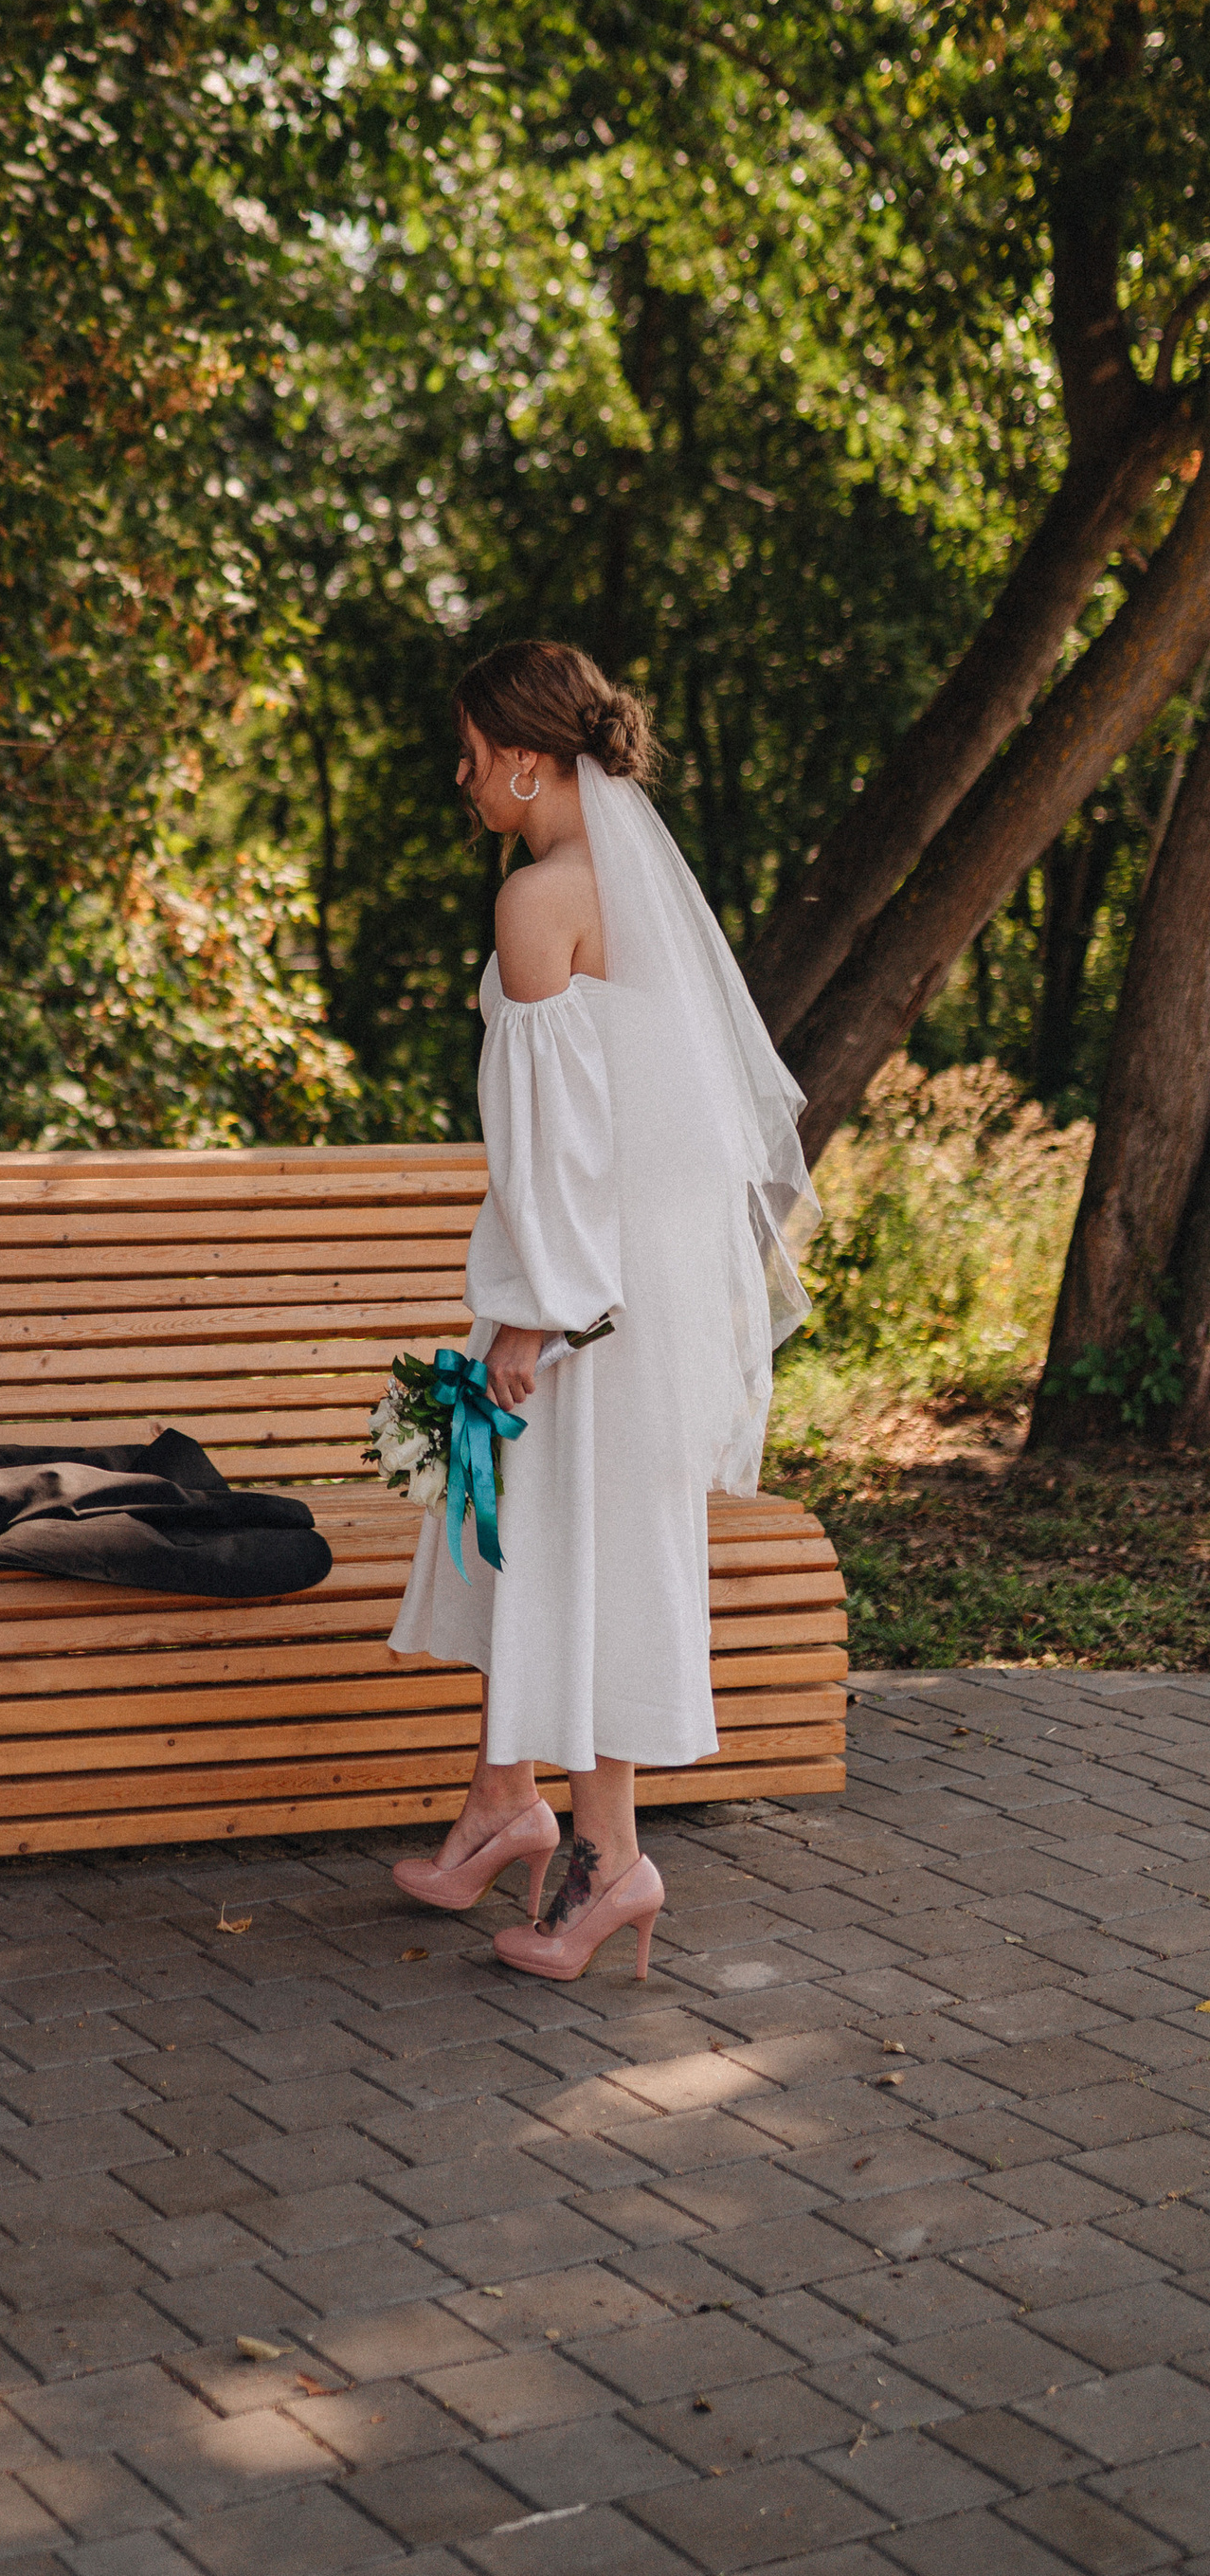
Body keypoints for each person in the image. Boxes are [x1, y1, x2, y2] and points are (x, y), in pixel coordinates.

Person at [388, 643, 817, 1981]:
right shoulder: (639, 892)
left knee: (575, 1558)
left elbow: (556, 1146)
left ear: (526, 759)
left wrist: (534, 1318)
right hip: (641, 1293)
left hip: (580, 1304)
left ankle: (606, 1857)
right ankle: (500, 1801)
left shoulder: (537, 901)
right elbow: (659, 1139)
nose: (463, 782)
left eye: (470, 757)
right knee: (527, 1546)